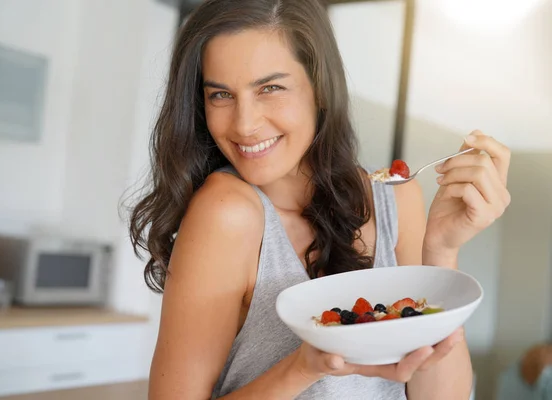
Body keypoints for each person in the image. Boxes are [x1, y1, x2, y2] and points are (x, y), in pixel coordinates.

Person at [128, 0, 511, 398]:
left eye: (270, 88)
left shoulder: (395, 199)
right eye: (221, 95)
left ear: (321, 89)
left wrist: (442, 252)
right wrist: (304, 367)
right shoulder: (228, 213)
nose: (244, 124)